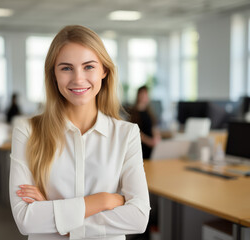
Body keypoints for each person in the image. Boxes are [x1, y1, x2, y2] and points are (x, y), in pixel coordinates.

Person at [9, 25, 150, 240]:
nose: (78, 79)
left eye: (88, 66)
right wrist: (102, 200)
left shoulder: (126, 134)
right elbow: (25, 219)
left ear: (104, 70)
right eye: (66, 68)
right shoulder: (27, 131)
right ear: (54, 74)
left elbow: (138, 218)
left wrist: (53, 212)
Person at [130, 86, 161, 159]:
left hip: (151, 147)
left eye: (146, 94)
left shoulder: (149, 112)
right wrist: (149, 141)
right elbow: (136, 132)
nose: (145, 96)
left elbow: (154, 127)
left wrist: (156, 137)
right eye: (143, 94)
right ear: (138, 95)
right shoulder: (133, 113)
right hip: (141, 147)